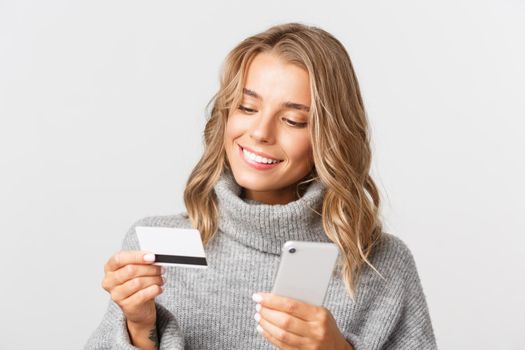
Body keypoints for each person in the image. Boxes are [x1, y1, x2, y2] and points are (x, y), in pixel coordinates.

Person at [85, 22, 437, 350]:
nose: (260, 132)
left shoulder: (381, 264)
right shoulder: (156, 248)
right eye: (247, 107)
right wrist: (139, 325)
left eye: (293, 120)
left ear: (330, 139)